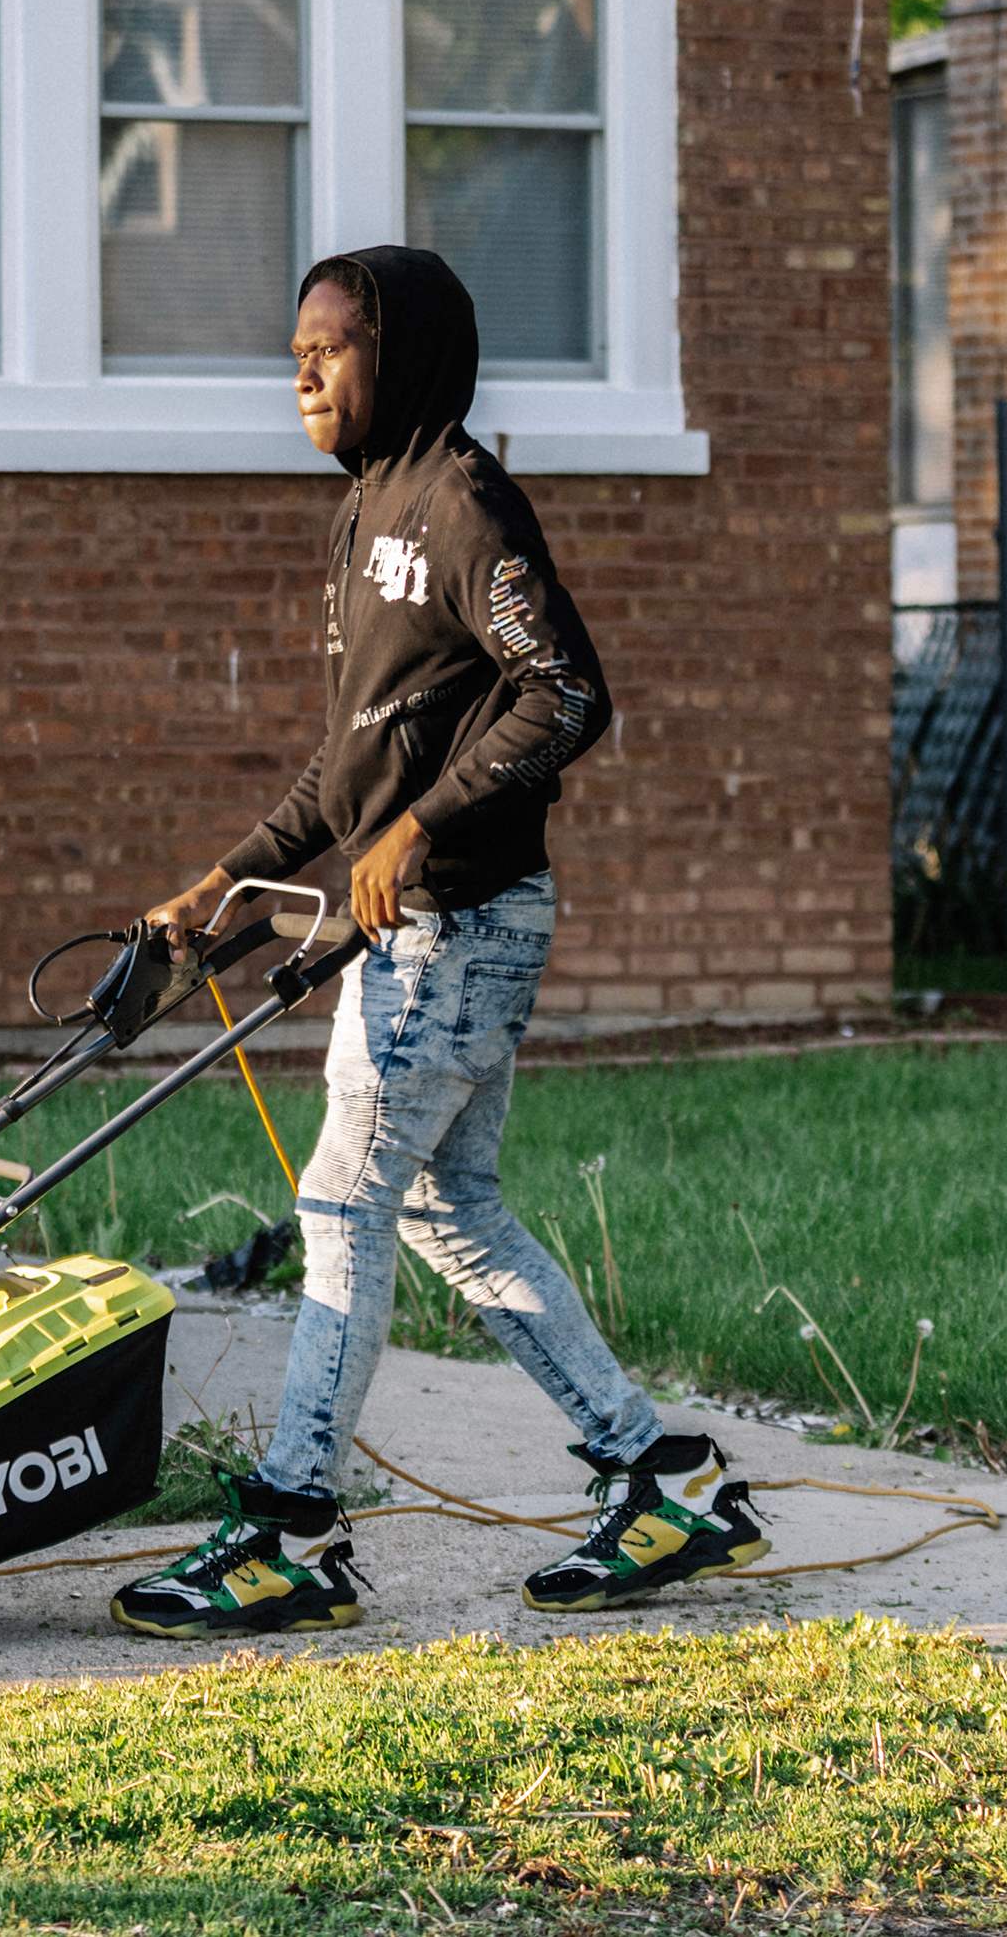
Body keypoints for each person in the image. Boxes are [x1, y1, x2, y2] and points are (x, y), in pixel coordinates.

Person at [109, 246, 768, 1640]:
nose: (300, 370)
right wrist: (225, 877)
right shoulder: (361, 519)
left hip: (456, 924)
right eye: (296, 345)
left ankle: (291, 1526)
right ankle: (664, 1477)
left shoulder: (463, 501)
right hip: (424, 927)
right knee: (444, 1209)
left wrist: (421, 827)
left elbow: (569, 694)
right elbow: (350, 770)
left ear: (397, 358)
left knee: (346, 1202)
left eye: (330, 348)